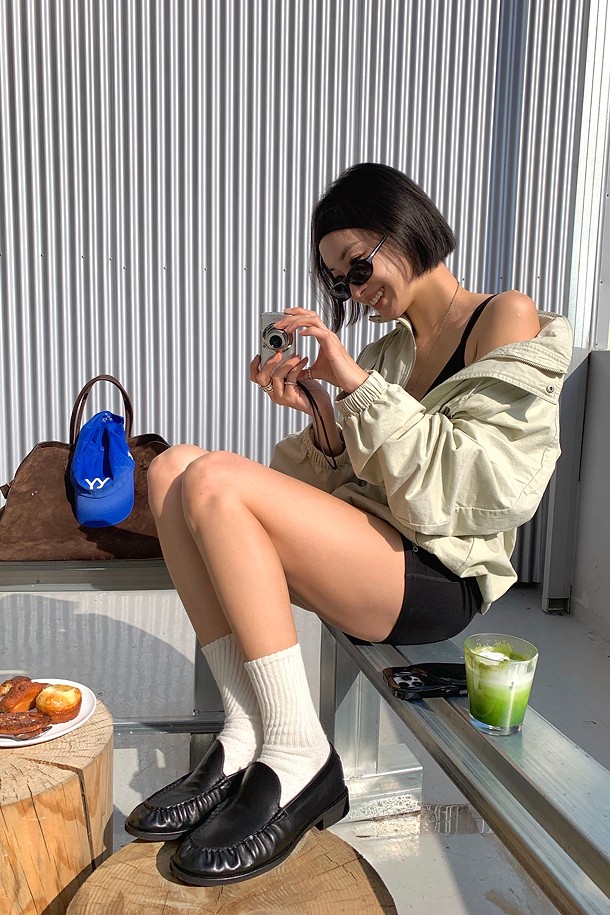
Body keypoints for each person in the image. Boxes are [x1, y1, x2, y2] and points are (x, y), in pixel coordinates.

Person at [125, 162, 573, 886]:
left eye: (358, 267)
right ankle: (244, 731)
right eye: (340, 283)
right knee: (173, 468)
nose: (356, 292)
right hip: (373, 552)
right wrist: (325, 419)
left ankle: (299, 752)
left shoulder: (504, 317)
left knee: (212, 478)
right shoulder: (387, 352)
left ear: (406, 228)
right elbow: (357, 487)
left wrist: (359, 388)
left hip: (437, 573)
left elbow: (483, 487)